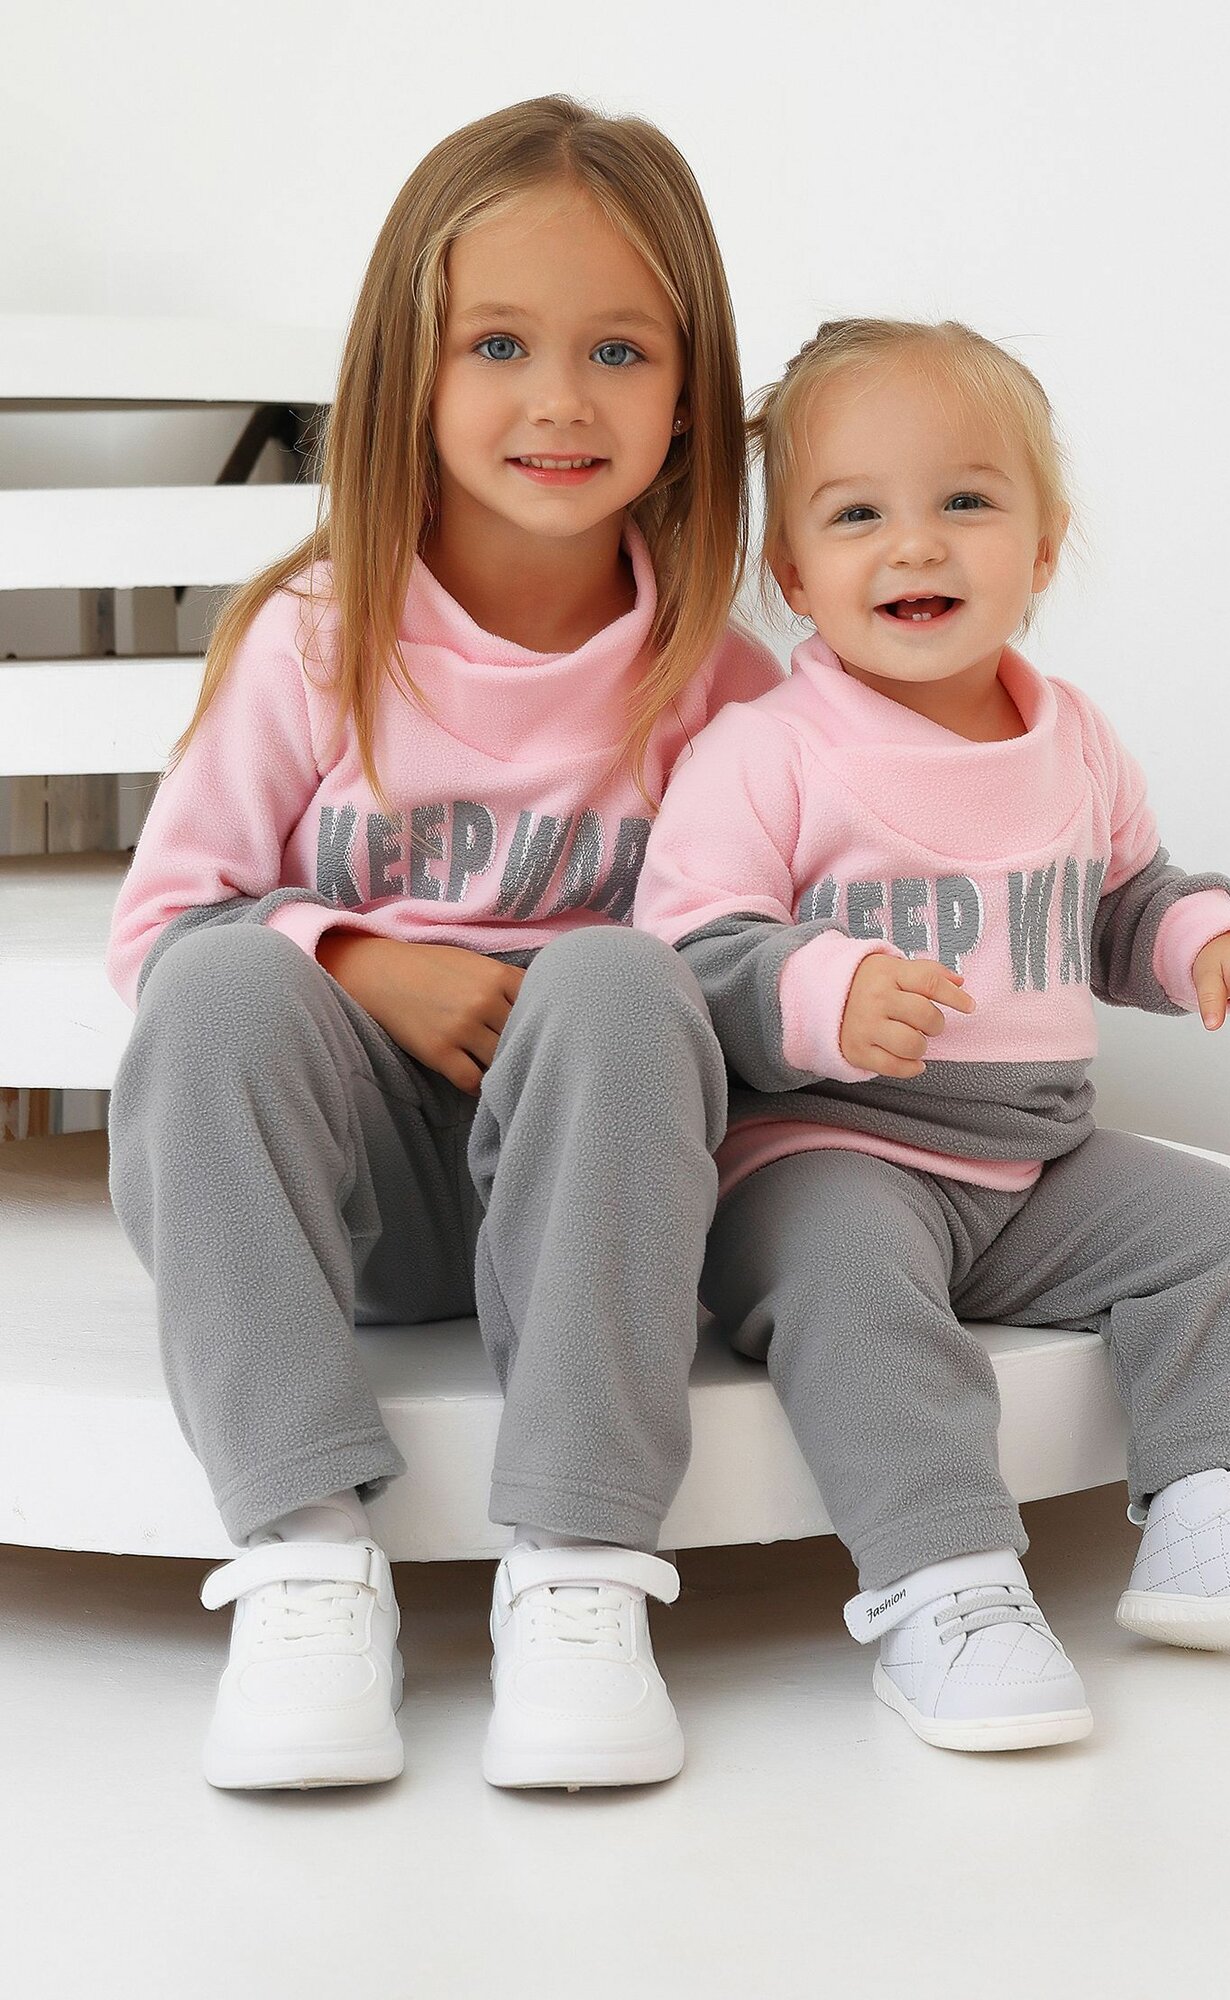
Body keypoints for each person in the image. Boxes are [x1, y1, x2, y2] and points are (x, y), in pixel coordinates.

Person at [105, 95, 779, 1794]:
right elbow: (160, 932)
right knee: (221, 981)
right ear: (411, 372)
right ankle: (303, 1558)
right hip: (357, 1206)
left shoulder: (725, 685)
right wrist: (351, 955)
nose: (561, 399)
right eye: (499, 344)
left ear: (690, 393)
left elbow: (759, 977)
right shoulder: (315, 637)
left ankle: (581, 1565)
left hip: (608, 1222)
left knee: (624, 979)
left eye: (619, 349)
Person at [634, 317, 1230, 1754]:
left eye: (965, 502)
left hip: (1032, 1164)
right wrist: (819, 991)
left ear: (1043, 547)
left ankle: (1213, 1514)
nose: (914, 545)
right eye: (857, 515)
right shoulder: (768, 751)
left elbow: (1124, 896)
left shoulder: (1075, 739)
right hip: (820, 1156)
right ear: (792, 573)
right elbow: (686, 953)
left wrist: (1205, 943)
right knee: (858, 1291)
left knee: (1219, 1233)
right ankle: (947, 1588)